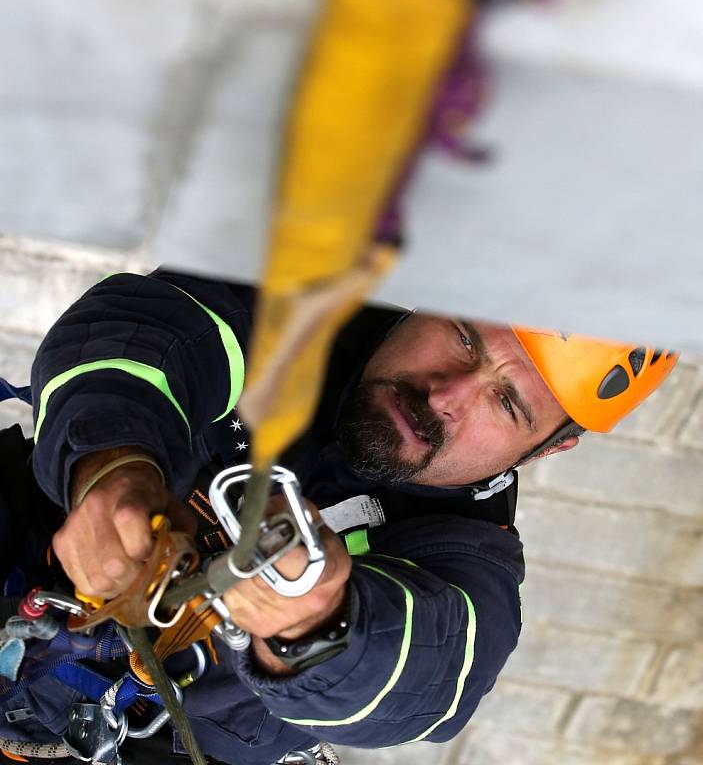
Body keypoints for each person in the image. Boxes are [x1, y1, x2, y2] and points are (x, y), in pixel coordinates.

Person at [0, 268, 677, 765]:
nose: (443, 396)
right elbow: (155, 330)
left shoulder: (469, 554)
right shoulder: (296, 314)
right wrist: (113, 462)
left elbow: (433, 674)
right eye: (463, 338)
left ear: (548, 446)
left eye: (506, 403)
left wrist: (316, 626)